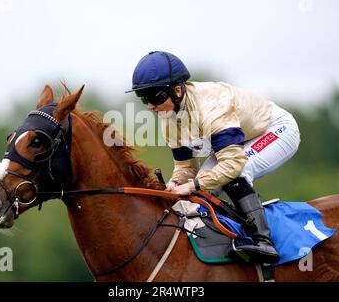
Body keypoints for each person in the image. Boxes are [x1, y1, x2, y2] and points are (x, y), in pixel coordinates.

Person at [126, 51, 301, 264]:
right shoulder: (168, 117)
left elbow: (233, 165)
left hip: (274, 130)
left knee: (233, 173)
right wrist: (173, 186)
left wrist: (192, 186)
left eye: (156, 97)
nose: (150, 106)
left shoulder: (211, 106)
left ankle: (263, 240)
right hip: (242, 139)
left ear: (178, 90)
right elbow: (186, 168)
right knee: (199, 192)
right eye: (144, 98)